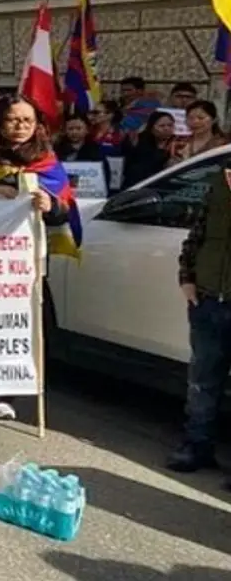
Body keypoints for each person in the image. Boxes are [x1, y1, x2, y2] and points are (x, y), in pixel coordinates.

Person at [0, 95, 75, 421]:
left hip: (22, 263)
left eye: (27, 121)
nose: (20, 127)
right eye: (12, 120)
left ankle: (4, 393)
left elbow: (65, 208)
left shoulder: (46, 160)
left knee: (16, 325)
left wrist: (51, 206)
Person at [167, 156, 231, 477]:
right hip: (208, 298)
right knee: (203, 380)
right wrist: (187, 277)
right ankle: (196, 446)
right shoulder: (219, 183)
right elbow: (197, 235)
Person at [121, 111, 176, 188]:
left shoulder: (177, 142)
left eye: (170, 125)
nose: (166, 128)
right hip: (137, 186)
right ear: (152, 128)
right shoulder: (139, 140)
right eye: (162, 126)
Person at [171, 100, 226, 164]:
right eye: (190, 118)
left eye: (201, 118)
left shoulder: (223, 144)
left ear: (214, 120)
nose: (195, 122)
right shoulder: (179, 142)